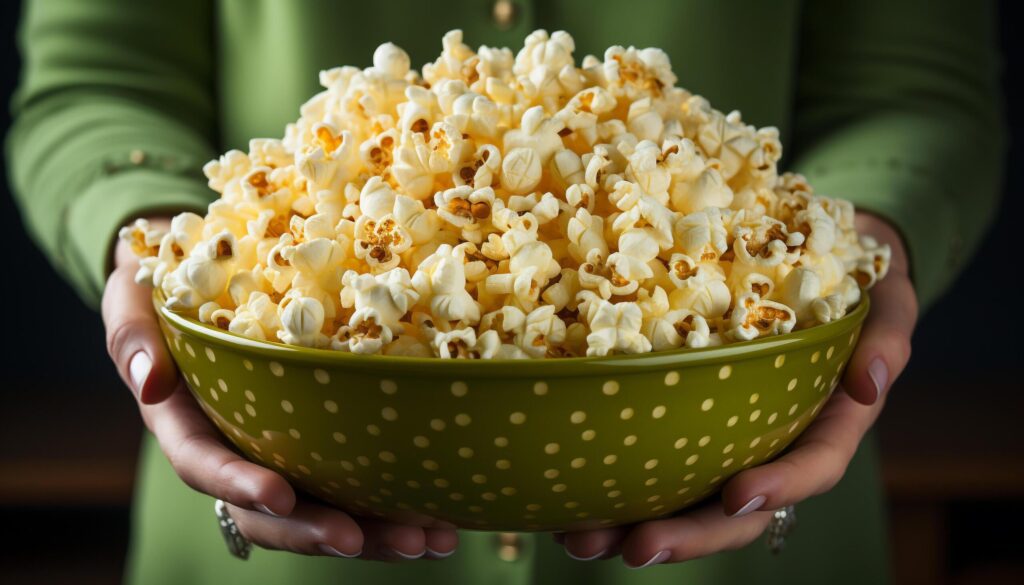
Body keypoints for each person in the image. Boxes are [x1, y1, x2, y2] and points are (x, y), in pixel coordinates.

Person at [6, 1, 1005, 583]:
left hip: (740, 440)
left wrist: (858, 247)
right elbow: (95, 76)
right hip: (280, 460)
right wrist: (145, 242)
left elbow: (915, 86)